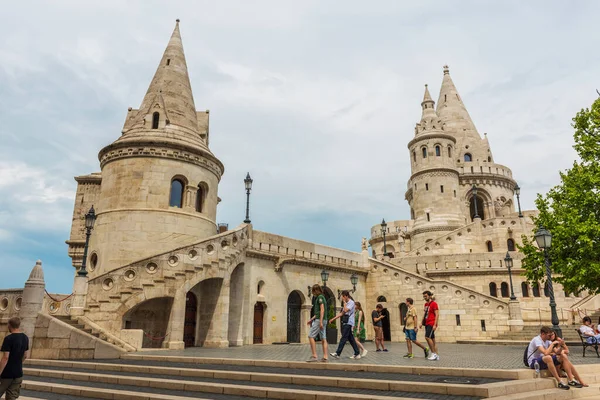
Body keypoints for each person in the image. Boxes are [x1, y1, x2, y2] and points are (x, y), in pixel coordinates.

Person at [0, 317, 29, 400]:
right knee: (11, 397)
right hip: (18, 373)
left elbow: (5, 357)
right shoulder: (25, 337)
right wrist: (18, 363)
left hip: (7, 373)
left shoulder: (8, 339)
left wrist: (0, 371)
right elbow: (25, 355)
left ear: (9, 325)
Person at [329, 290, 361, 360]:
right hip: (346, 322)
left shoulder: (351, 303)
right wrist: (333, 319)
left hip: (349, 322)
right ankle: (357, 353)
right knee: (351, 339)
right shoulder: (347, 303)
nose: (342, 298)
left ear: (346, 296)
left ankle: (337, 353)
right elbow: (342, 313)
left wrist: (344, 302)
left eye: (343, 297)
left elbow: (346, 310)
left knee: (343, 338)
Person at [306, 284, 328, 362]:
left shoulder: (320, 297)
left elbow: (322, 310)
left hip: (320, 320)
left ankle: (314, 355)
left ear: (316, 290)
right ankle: (325, 356)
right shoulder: (322, 297)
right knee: (323, 338)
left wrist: (320, 322)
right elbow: (318, 312)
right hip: (323, 319)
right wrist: (311, 320)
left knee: (311, 336)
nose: (313, 293)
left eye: (313, 291)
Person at [420, 291, 439, 360]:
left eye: (426, 296)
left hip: (431, 323)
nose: (424, 297)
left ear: (430, 296)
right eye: (424, 296)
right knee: (433, 340)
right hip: (427, 323)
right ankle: (437, 355)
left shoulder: (434, 304)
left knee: (427, 337)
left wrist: (435, 324)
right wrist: (421, 322)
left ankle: (433, 353)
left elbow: (437, 314)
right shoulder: (425, 304)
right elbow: (424, 314)